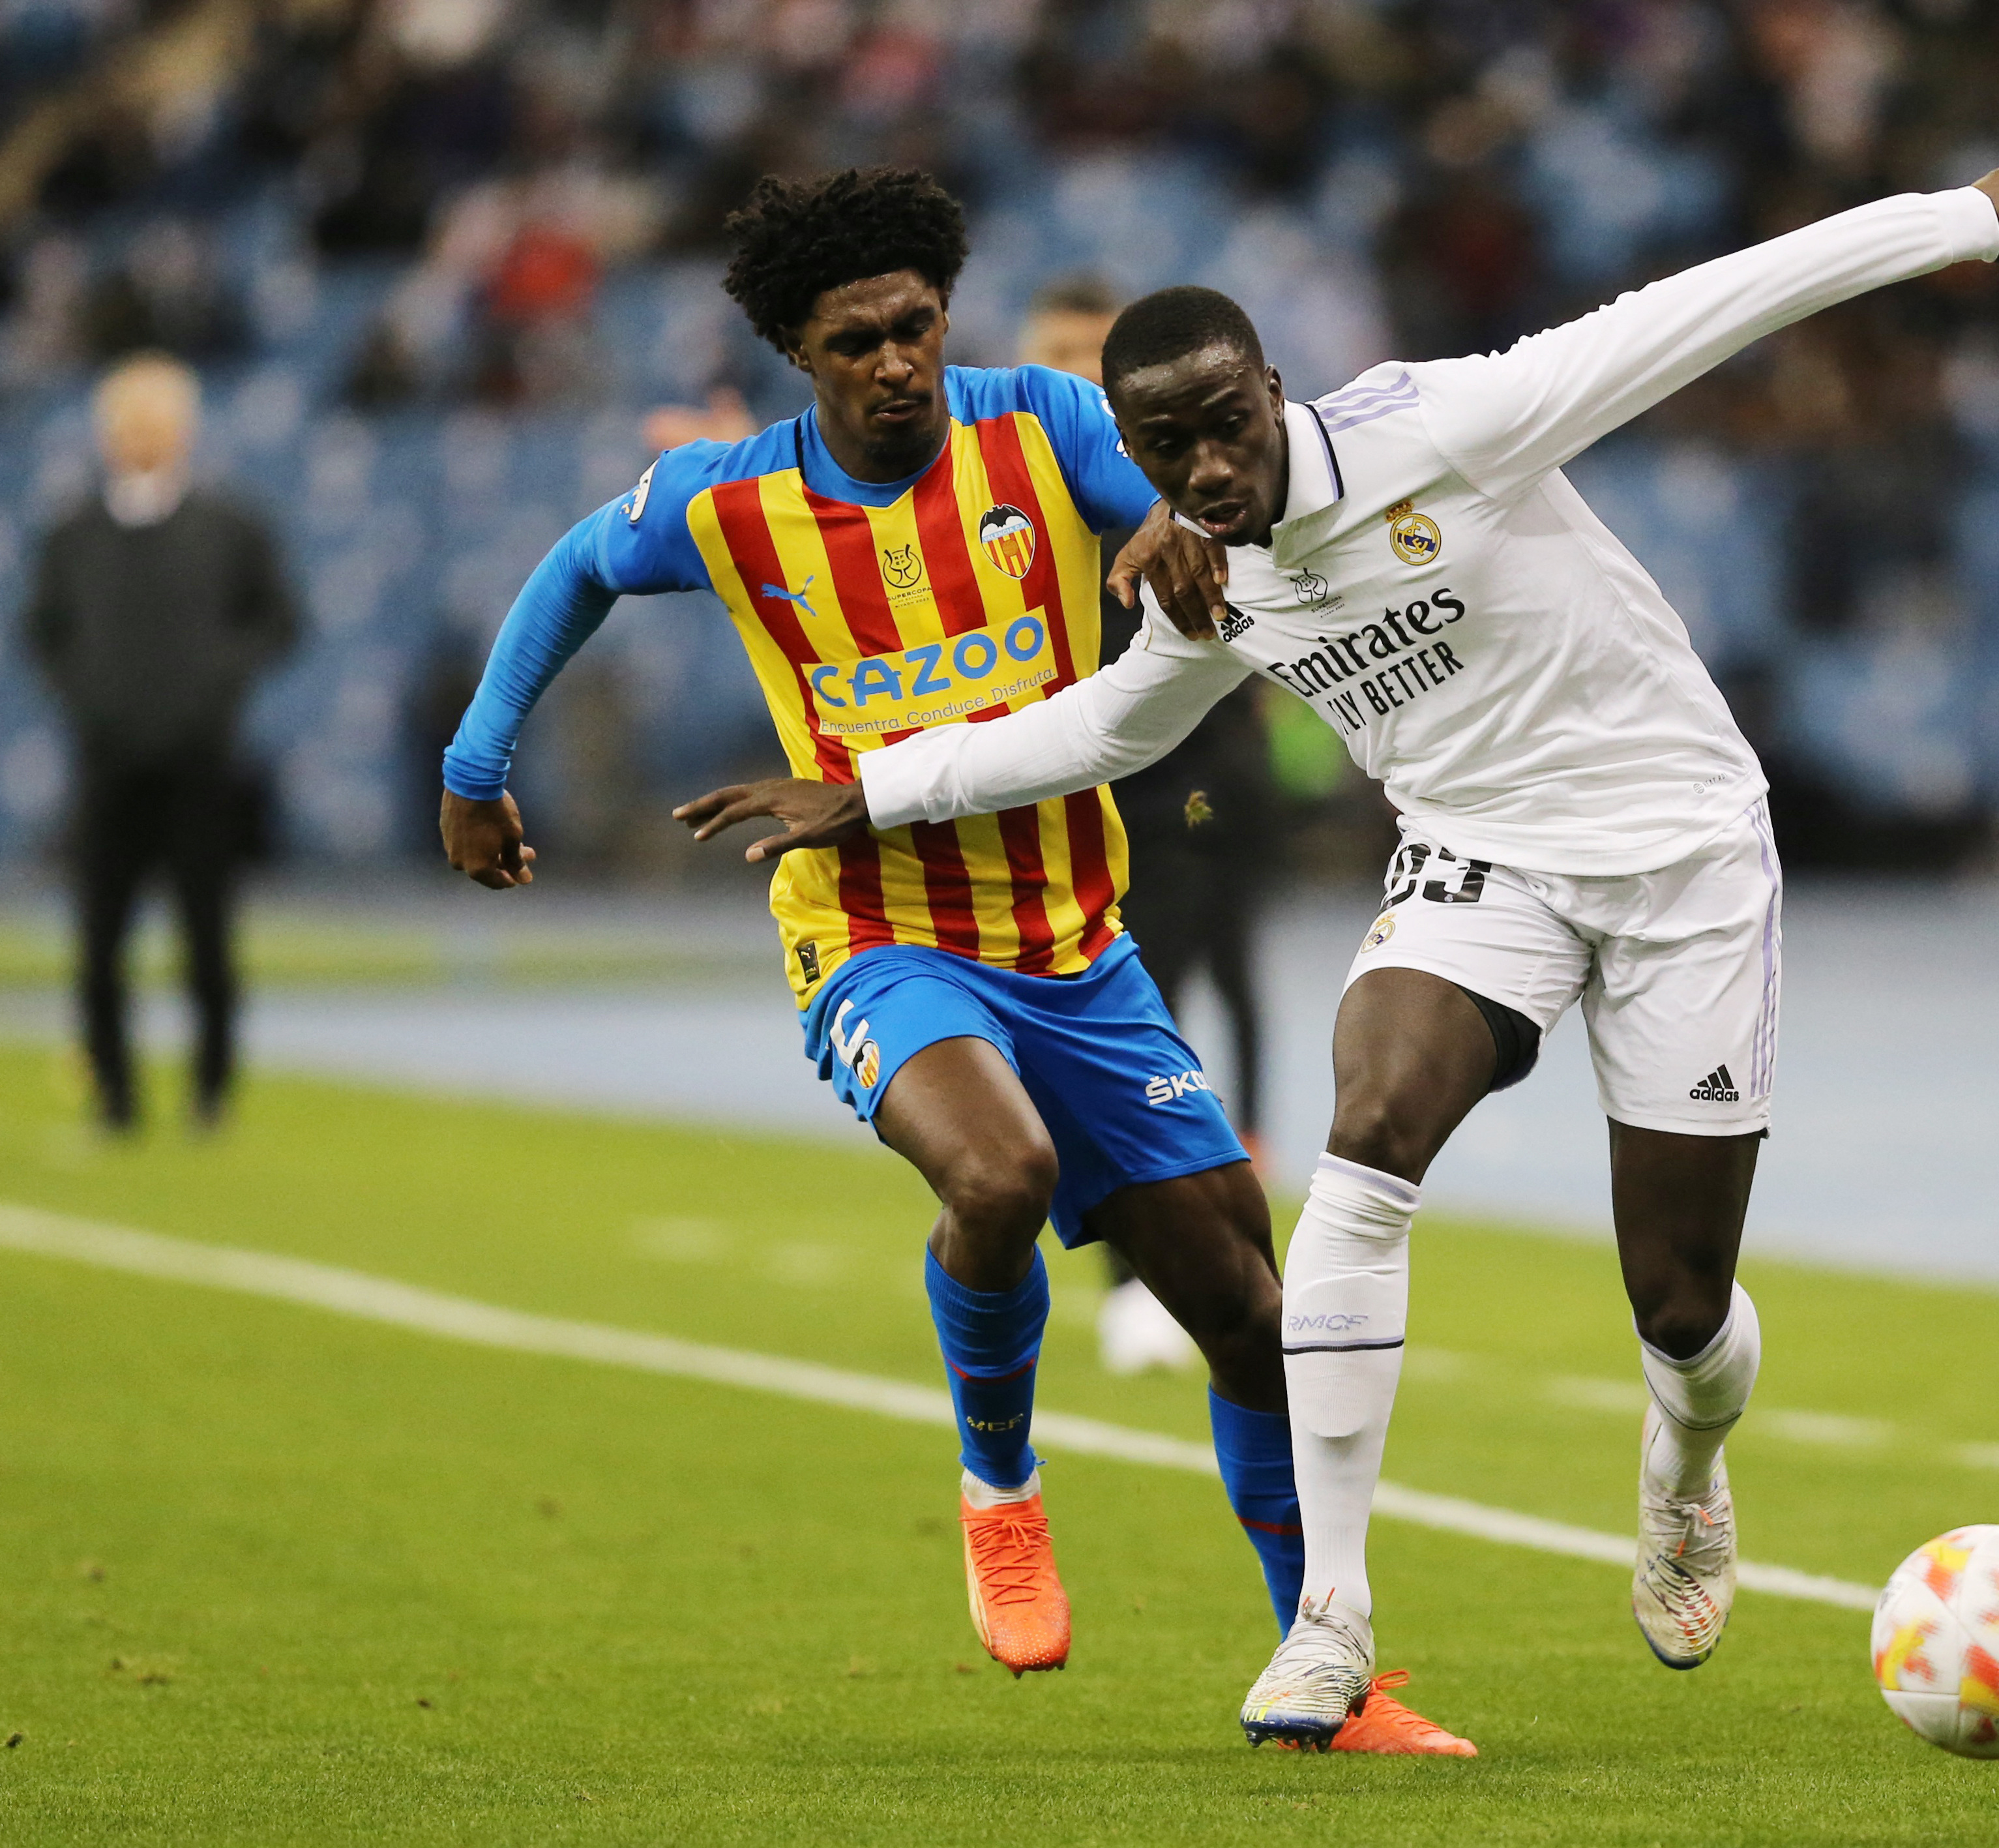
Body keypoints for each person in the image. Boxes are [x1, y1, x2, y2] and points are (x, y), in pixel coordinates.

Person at [686, 168, 1999, 1744]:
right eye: (1172, 450)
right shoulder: (1205, 577)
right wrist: (871, 790)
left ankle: (1687, 1460)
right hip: (1476, 858)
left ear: (1274, 388)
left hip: (1681, 847)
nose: (1212, 468)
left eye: (1231, 424)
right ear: (1132, 461)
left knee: (1681, 1300)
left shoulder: (1452, 424)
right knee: (1363, 1143)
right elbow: (1095, 724)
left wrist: (1963, 223)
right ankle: (1331, 1619)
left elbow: (1708, 308)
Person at [440, 167, 1468, 1754]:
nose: (898, 361)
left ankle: (1322, 1671)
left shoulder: (1042, 422)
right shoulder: (731, 503)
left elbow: (1166, 498)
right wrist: (474, 760)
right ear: (800, 352)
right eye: (858, 340)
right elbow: (577, 564)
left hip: (1075, 941)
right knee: (994, 1175)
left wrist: (1171, 541)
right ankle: (1002, 1487)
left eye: (917, 324)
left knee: (1248, 1309)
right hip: (872, 933)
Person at [1013, 273, 1282, 1378]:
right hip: (1105, 787)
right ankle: (1137, 1273)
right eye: (1057, 353)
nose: (1077, 371)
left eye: (1092, 350)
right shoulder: (1015, 490)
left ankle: (1220, 1253)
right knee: (1132, 1013)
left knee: (1230, 990)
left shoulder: (1179, 464)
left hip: (1214, 775)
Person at [21, 351, 301, 1132]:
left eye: (158, 421)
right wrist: (91, 695)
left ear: (185, 431)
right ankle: (114, 1095)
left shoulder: (230, 525)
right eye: (129, 422)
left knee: (207, 933)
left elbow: (279, 620)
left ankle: (212, 1089)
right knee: (99, 938)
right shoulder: (73, 532)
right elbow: (43, 633)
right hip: (106, 761)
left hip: (199, 761)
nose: (143, 437)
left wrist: (217, 682)